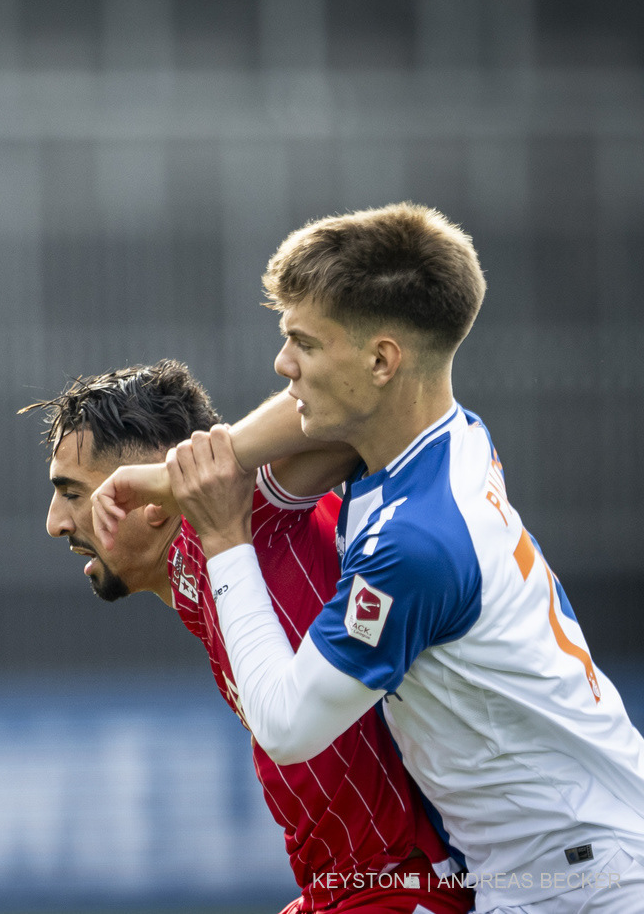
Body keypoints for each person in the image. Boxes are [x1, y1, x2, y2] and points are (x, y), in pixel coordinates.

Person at [92, 203, 644, 914]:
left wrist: (224, 535)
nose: (283, 364)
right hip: (565, 862)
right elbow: (304, 418)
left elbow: (286, 725)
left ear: (381, 361)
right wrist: (180, 474)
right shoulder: (437, 435)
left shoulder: (415, 544)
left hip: (576, 888)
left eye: (304, 343)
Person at [23, 359, 473, 914]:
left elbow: (359, 396)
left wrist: (200, 468)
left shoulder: (243, 510)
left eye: (72, 493)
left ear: (150, 496)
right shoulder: (201, 566)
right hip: (346, 888)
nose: (55, 522)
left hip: (400, 882)